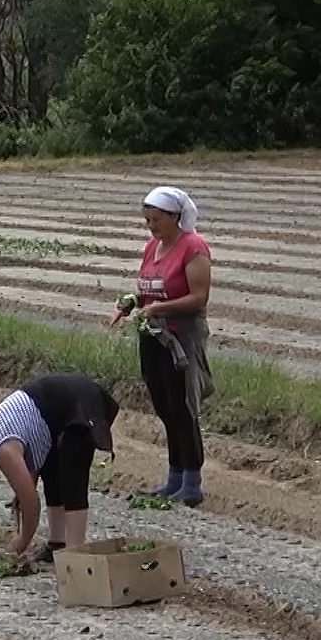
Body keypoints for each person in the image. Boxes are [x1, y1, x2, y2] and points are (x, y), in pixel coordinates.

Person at [0, 373, 121, 563]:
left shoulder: (3, 449)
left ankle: (76, 554)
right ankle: (57, 544)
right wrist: (23, 491)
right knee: (51, 469)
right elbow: (32, 464)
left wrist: (20, 544)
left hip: (81, 404)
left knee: (71, 476)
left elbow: (31, 503)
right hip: (62, 408)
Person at [111, 186, 212, 506]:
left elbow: (198, 297)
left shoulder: (193, 247)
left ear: (174, 217)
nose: (151, 226)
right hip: (152, 336)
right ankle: (174, 477)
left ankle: (192, 482)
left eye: (156, 219)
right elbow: (149, 289)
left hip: (180, 337)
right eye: (147, 220)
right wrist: (132, 303)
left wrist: (158, 309)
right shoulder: (151, 247)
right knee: (164, 406)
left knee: (182, 406)